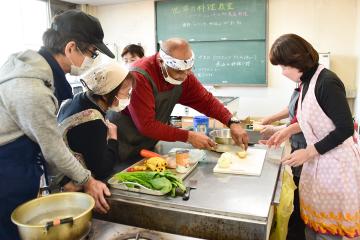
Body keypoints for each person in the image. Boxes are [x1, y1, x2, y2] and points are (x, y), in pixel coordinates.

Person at [0, 10, 114, 239]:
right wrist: (87, 180)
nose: (92, 60)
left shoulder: (33, 72)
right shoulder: (31, 89)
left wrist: (64, 184)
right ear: (71, 48)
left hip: (19, 165)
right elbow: (52, 146)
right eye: (92, 53)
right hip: (7, 170)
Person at [268, 33, 360, 239]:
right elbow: (313, 118)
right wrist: (286, 131)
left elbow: (345, 128)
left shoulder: (326, 82)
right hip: (318, 164)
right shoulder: (306, 82)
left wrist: (308, 151)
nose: (282, 72)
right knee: (312, 228)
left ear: (297, 60)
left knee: (329, 233)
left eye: (284, 67)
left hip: (336, 167)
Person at [107, 38, 248, 162]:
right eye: (179, 71)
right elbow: (146, 125)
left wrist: (232, 122)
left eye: (189, 70)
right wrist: (188, 136)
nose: (184, 76)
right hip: (121, 143)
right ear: (161, 62)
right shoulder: (139, 76)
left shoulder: (184, 74)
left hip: (146, 144)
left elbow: (206, 101)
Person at [54, 62, 133, 191]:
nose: (129, 97)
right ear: (107, 92)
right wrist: (113, 139)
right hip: (74, 187)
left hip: (60, 178)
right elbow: (103, 169)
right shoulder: (92, 122)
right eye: (126, 92)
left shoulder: (77, 99)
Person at [260, 88, 307, 240]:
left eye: (285, 67)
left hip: (307, 149)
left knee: (301, 197)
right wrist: (271, 119)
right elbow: (292, 110)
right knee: (297, 193)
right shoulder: (300, 84)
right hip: (298, 145)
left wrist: (278, 130)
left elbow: (304, 121)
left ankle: (297, 232)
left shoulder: (318, 85)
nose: (283, 71)